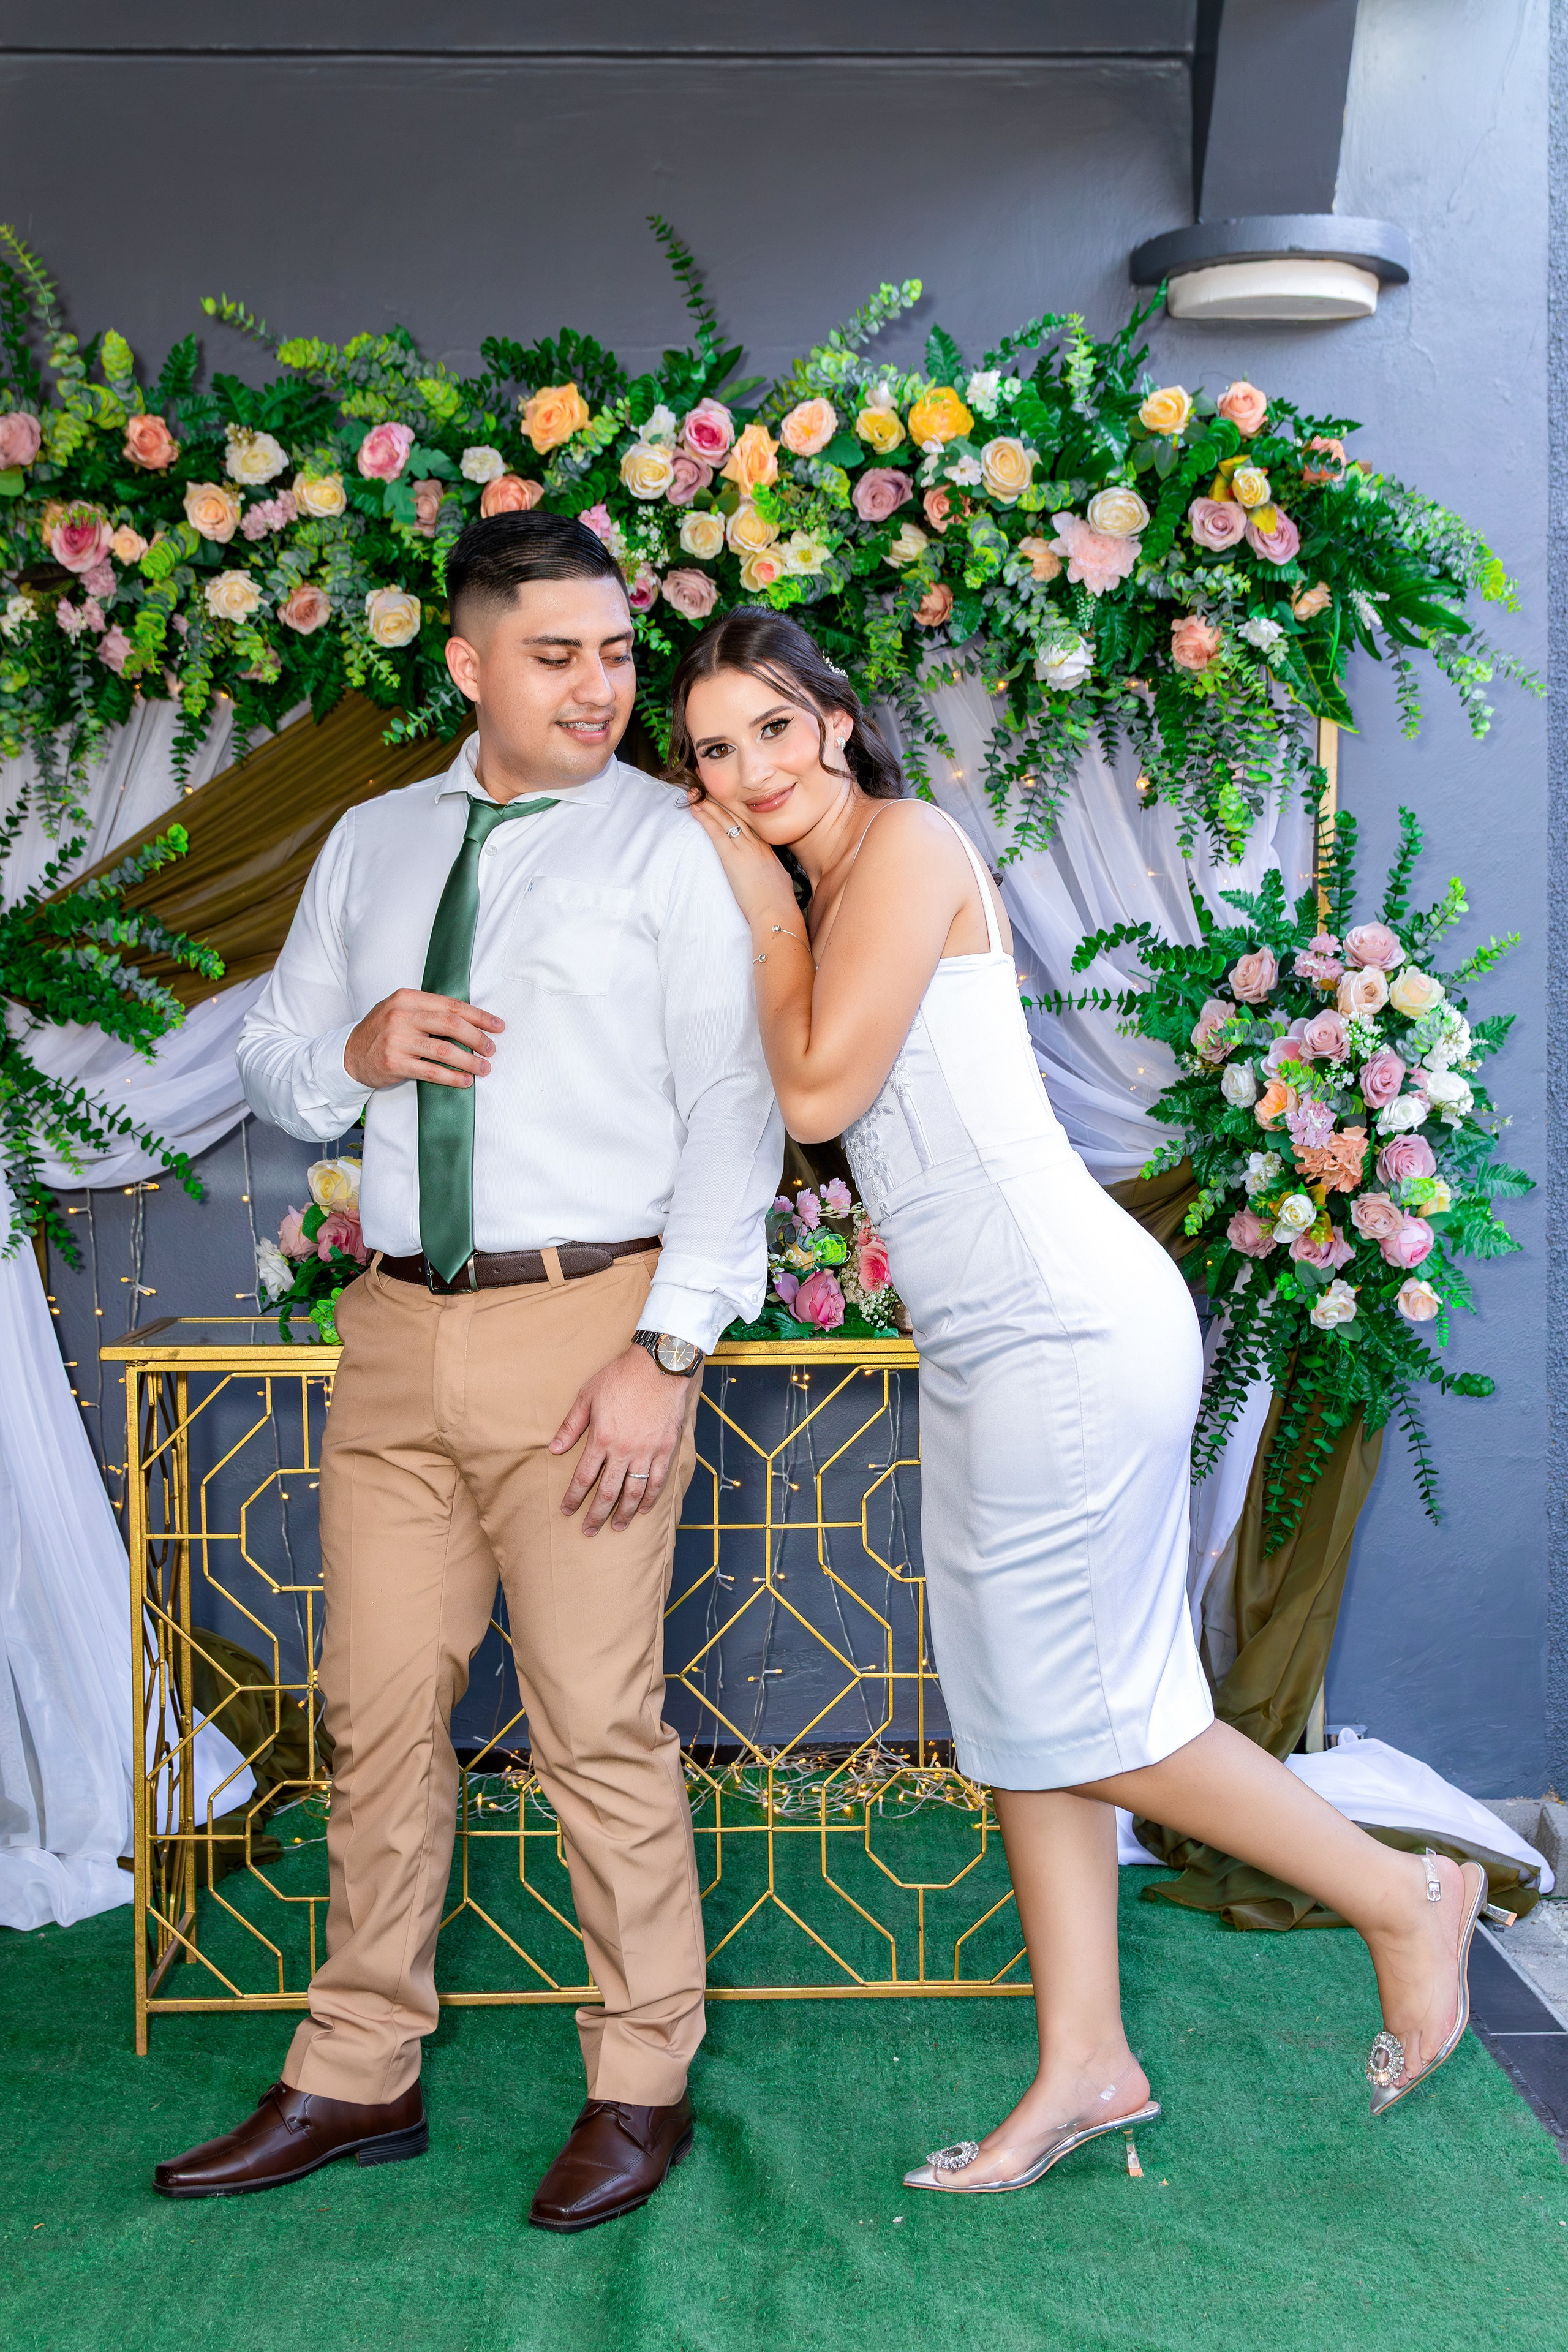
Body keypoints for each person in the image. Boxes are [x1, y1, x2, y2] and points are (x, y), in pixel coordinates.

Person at [675, 606, 1488, 2196]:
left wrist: (755, 913)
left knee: (1100, 1715)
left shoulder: (899, 849)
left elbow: (819, 1093)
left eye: (772, 728)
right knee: (1015, 1721)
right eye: (714, 748)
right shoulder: (830, 886)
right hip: (985, 1346)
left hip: (1064, 1327)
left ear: (836, 722)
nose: (750, 769)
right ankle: (1087, 2067)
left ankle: (1403, 1900)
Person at [152, 514, 782, 2230]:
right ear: (469, 665)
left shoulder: (674, 848)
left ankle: (640, 2081)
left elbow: (738, 1114)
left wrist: (669, 1350)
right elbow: (282, 1064)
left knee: (596, 1727)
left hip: (593, 1327)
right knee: (374, 1721)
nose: (600, 688)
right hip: (393, 1330)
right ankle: (357, 2071)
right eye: (558, 655)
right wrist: (354, 1051)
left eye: (617, 654)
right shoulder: (370, 842)